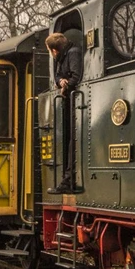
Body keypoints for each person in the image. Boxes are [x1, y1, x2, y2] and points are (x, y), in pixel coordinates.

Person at [46, 31, 83, 193]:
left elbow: (76, 76)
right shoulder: (61, 57)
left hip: (77, 103)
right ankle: (67, 179)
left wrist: (66, 87)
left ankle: (69, 180)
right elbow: (57, 76)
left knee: (72, 141)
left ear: (54, 51)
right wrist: (61, 81)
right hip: (70, 103)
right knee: (69, 141)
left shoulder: (73, 53)